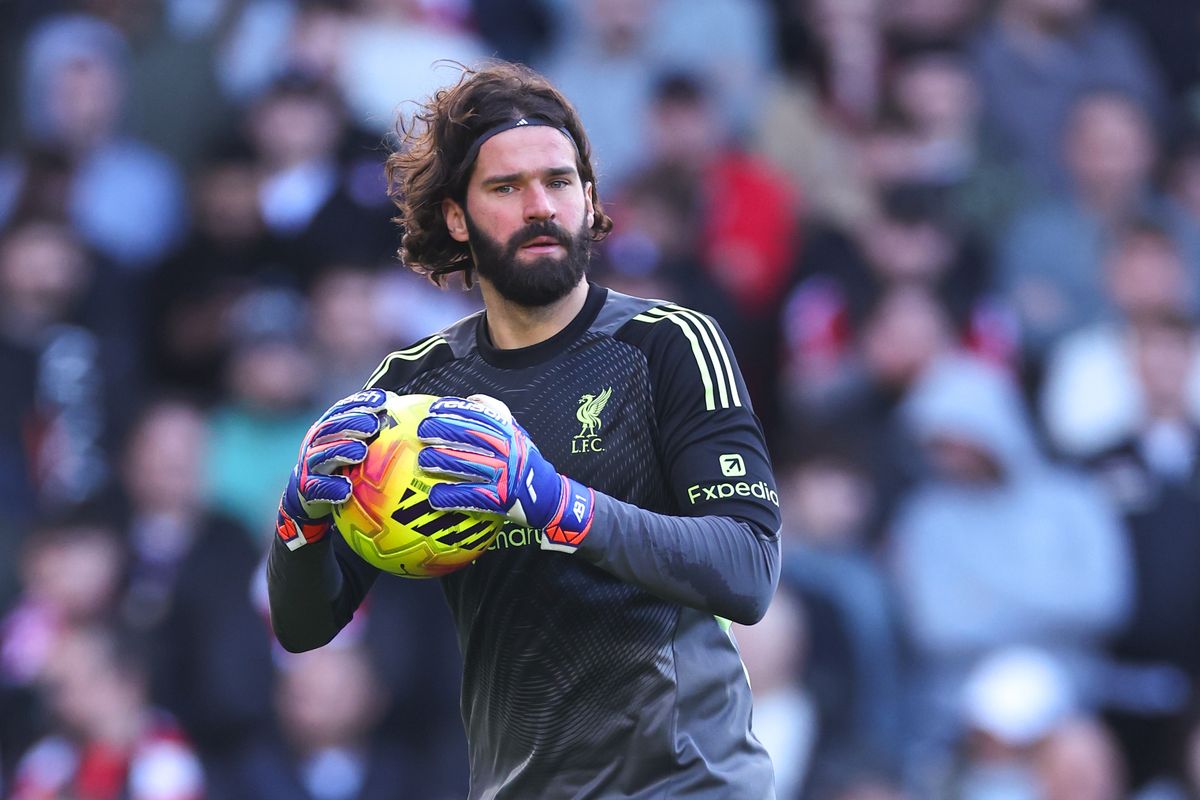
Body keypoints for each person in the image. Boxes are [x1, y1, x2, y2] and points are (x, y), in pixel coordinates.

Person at [267, 61, 782, 798]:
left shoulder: (669, 343)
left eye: (559, 181)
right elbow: (307, 623)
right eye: (506, 188)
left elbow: (747, 569)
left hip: (684, 785)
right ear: (456, 217)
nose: (540, 205)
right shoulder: (411, 394)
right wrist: (298, 522)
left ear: (590, 198)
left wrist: (556, 505)